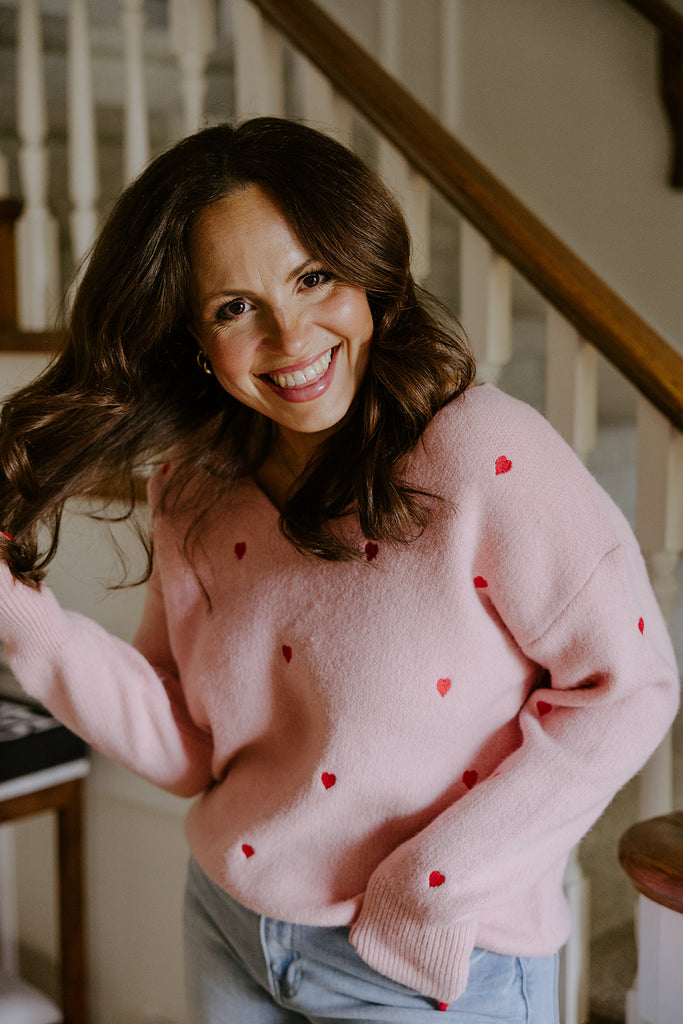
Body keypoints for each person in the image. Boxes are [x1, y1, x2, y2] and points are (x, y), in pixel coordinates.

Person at [0, 117, 678, 1024]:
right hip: (232, 925)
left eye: (313, 276)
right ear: (195, 337)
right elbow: (188, 746)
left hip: (425, 963)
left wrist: (429, 889)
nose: (290, 335)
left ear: (369, 277)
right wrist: (22, 614)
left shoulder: (481, 455)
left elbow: (626, 687)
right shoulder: (193, 486)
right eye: (233, 306)